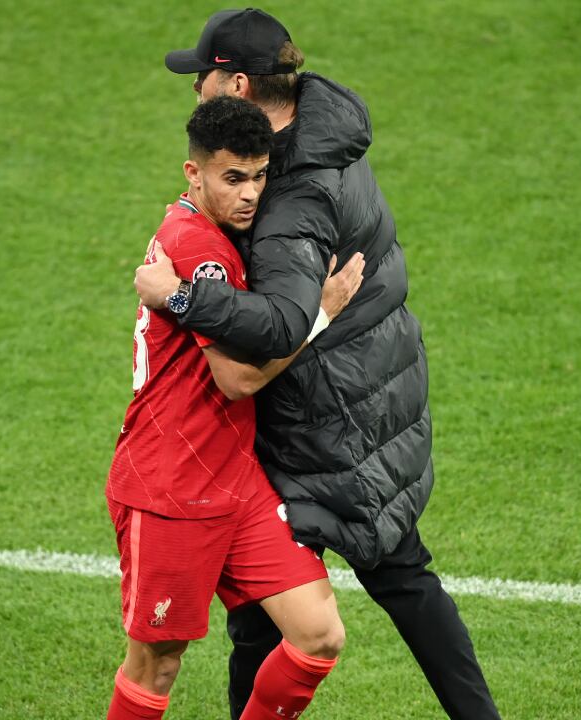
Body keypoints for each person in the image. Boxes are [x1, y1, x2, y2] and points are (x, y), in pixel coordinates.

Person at [135, 9, 503, 720]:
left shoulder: (290, 196)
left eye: (203, 79)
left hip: (322, 418)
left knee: (261, 618)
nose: (196, 93)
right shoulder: (322, 125)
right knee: (400, 576)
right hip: (375, 391)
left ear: (239, 83)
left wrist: (178, 294)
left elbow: (277, 327)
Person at [106, 95, 366, 720]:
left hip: (233, 475)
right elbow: (237, 379)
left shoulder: (217, 234)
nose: (251, 194)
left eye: (259, 176)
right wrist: (322, 313)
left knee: (319, 634)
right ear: (193, 173)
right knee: (157, 665)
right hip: (170, 486)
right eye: (233, 178)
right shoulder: (200, 249)